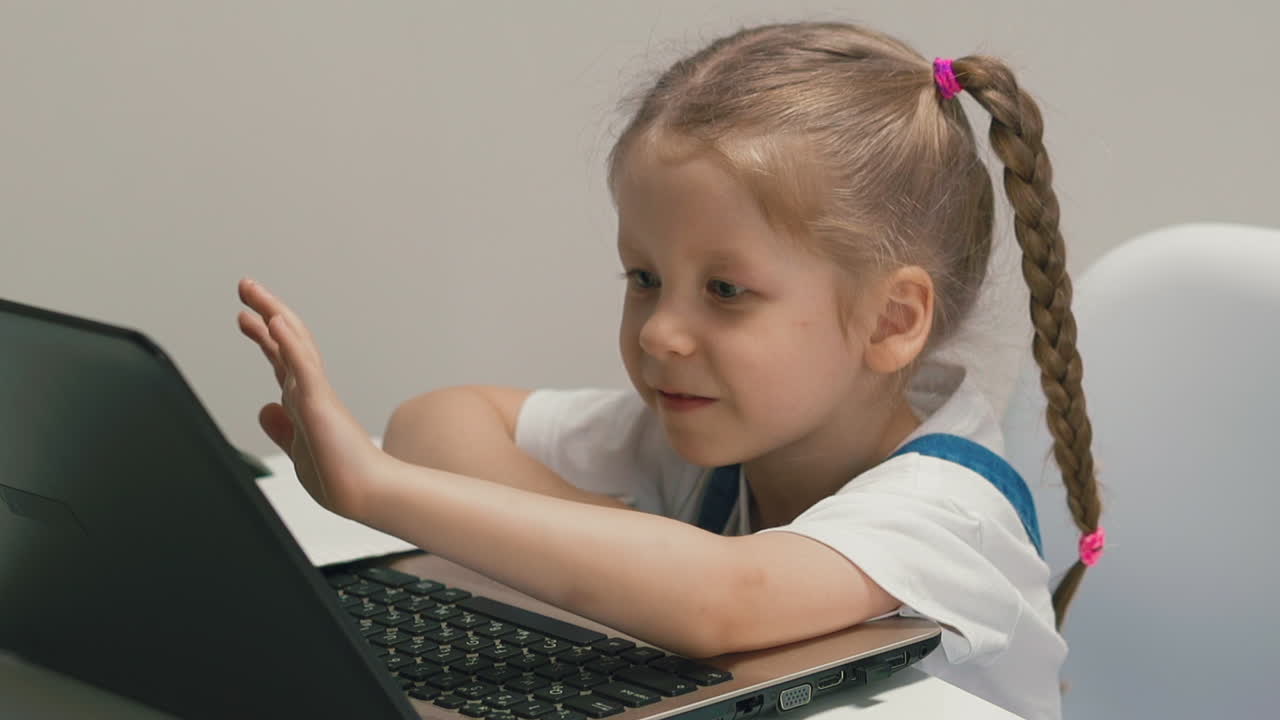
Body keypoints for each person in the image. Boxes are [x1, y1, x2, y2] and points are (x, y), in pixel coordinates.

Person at [237, 21, 1105, 720]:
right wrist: (610, 535)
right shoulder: (705, 428)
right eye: (644, 277)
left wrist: (374, 490)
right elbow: (437, 420)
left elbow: (725, 597)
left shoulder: (951, 512)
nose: (660, 333)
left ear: (891, 321)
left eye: (725, 290)